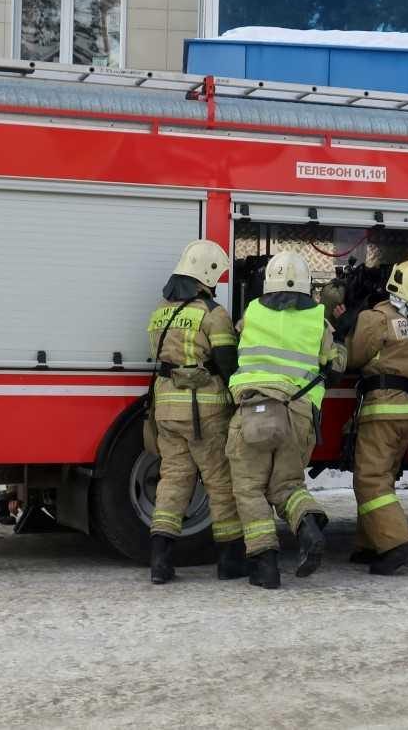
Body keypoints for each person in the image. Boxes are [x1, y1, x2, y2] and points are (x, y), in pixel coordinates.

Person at [225, 252, 346, 589]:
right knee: (288, 485)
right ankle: (307, 523)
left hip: (254, 409)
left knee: (249, 487)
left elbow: (233, 347)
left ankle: (265, 566)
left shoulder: (251, 313)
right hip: (298, 412)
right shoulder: (319, 321)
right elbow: (335, 366)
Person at [144, 239, 244, 585]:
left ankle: (160, 560)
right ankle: (230, 561)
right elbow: (228, 363)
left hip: (166, 409)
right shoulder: (213, 315)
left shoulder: (159, 310)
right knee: (219, 482)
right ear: (205, 275)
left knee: (172, 481)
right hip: (205, 411)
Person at [345, 260, 408, 576]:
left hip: (381, 408)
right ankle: (369, 544)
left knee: (369, 479)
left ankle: (397, 545)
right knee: (383, 478)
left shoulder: (376, 317)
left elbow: (354, 357)